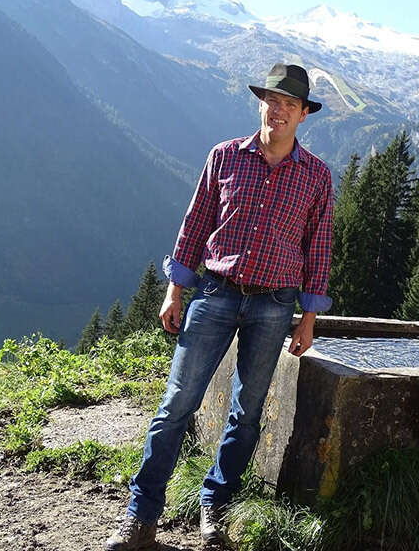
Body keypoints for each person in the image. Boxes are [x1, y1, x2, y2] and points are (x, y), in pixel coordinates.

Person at [104, 63, 333, 550]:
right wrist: (175, 289)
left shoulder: (316, 177)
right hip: (215, 293)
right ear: (260, 104)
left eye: (289, 104)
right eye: (271, 101)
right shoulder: (225, 156)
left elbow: (319, 249)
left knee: (247, 413)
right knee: (176, 405)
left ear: (303, 115)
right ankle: (140, 516)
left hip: (274, 305)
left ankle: (215, 505)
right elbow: (195, 222)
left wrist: (308, 317)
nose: (278, 110)